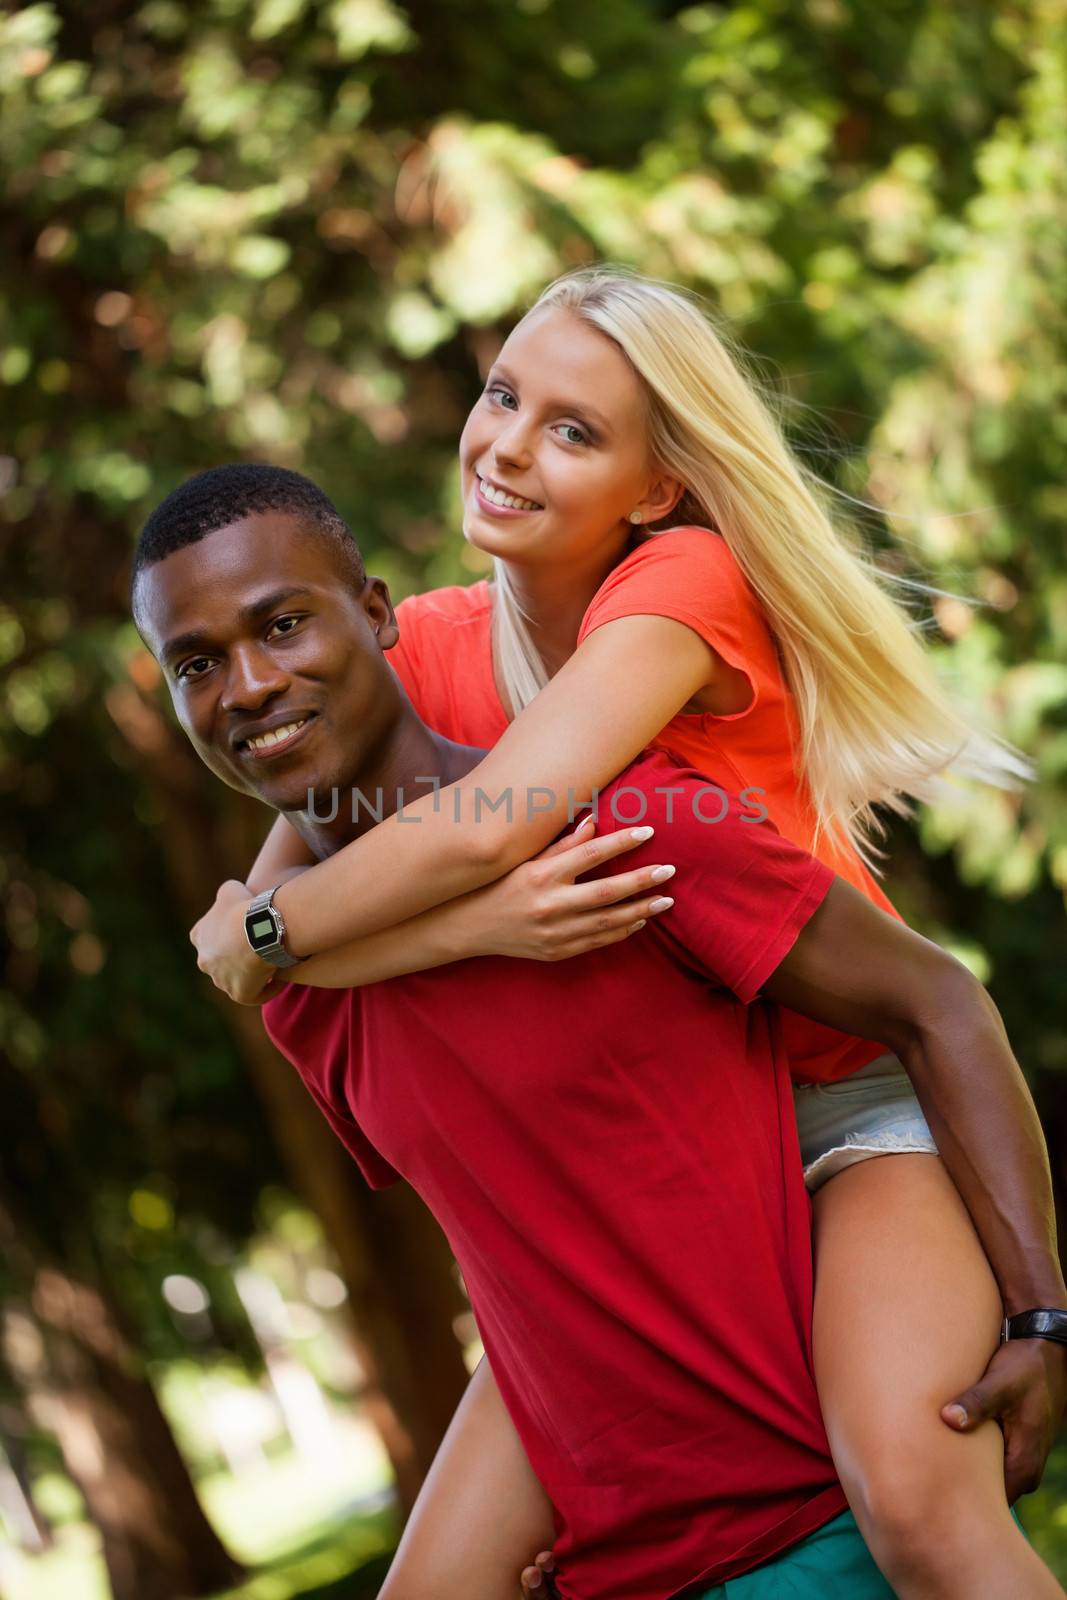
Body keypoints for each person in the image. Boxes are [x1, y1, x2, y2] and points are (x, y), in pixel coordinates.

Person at [185, 266, 1067, 1598]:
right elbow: (268, 934)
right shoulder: (421, 640)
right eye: (503, 396)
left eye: (574, 430)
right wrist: (453, 927)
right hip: (669, 1169)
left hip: (839, 1104)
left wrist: (1042, 1313)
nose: (508, 445)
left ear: (656, 485)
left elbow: (462, 838)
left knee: (916, 1503)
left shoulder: (683, 585)